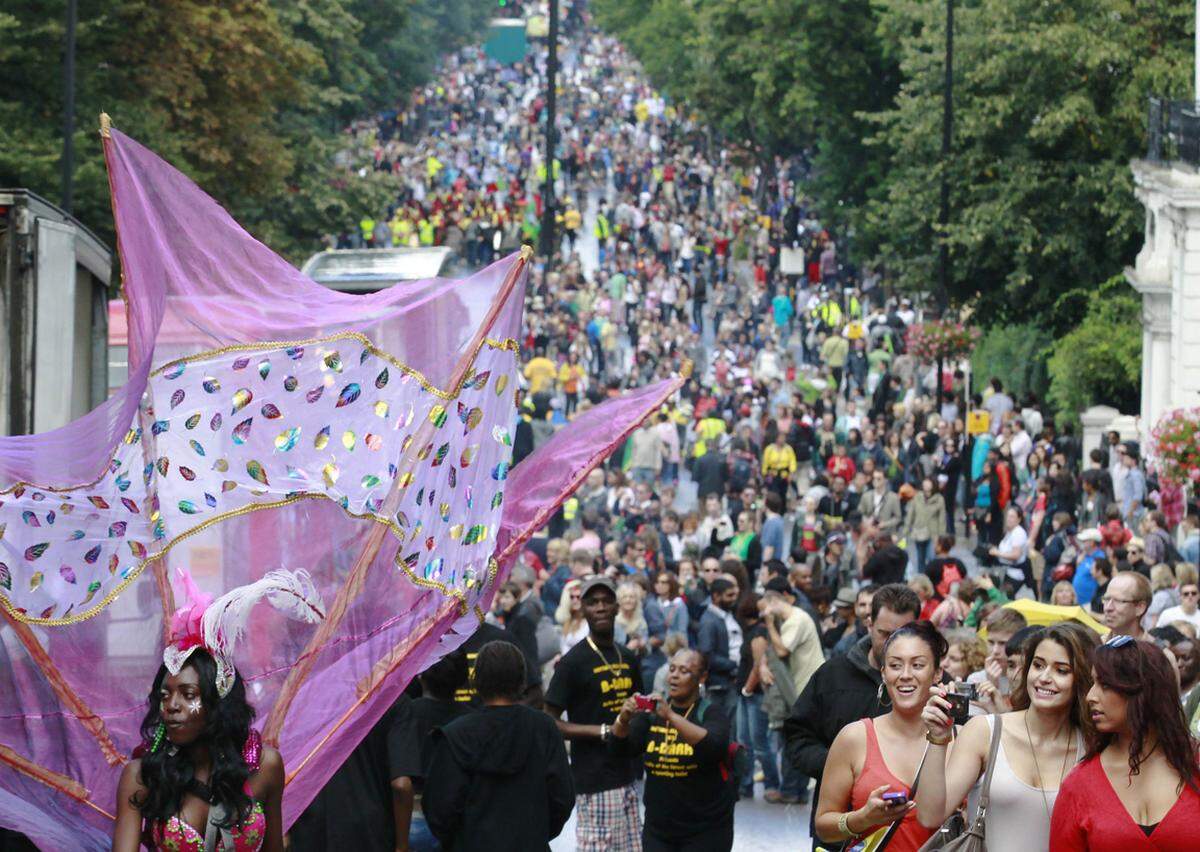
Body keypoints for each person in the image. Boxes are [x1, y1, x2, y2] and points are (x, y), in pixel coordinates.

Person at [113, 569, 321, 852]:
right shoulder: (141, 776)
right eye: (165, 695)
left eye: (188, 695)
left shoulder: (265, 768)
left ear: (217, 704)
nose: (172, 706)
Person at [916, 623, 1098, 851]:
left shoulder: (1091, 746)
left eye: (1061, 670)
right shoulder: (985, 731)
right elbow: (929, 816)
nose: (1044, 677)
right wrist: (937, 738)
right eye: (1038, 665)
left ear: (1081, 678)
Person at [783, 583, 921, 845]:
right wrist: (840, 768)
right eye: (885, 633)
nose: (893, 643)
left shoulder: (930, 685)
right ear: (869, 624)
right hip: (837, 829)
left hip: (909, 834)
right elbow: (797, 735)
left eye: (903, 634)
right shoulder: (832, 675)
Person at [1050, 636, 1200, 848]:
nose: (1090, 696)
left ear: (1142, 688)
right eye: (1093, 683)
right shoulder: (1079, 785)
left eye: (1104, 684)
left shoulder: (1195, 765)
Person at [424, 641, 574, 851]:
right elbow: (562, 798)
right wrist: (535, 834)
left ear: (475, 682)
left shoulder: (456, 735)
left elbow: (439, 810)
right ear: (522, 682)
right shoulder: (544, 728)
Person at [813, 621, 944, 851]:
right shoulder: (855, 738)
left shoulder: (962, 740)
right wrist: (863, 818)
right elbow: (823, 825)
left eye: (918, 665)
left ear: (937, 674)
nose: (905, 675)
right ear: (883, 673)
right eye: (895, 665)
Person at [544, 576, 644, 851]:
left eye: (606, 601)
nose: (600, 607)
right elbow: (549, 720)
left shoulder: (628, 657)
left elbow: (640, 711)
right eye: (592, 602)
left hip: (629, 777)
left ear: (616, 608)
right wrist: (602, 732)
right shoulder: (573, 662)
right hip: (594, 777)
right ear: (583, 610)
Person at [610, 649, 737, 851]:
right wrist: (622, 720)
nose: (674, 676)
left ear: (702, 677)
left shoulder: (711, 713)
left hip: (705, 831)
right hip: (658, 831)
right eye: (672, 669)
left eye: (684, 670)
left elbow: (714, 747)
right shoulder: (651, 714)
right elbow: (619, 749)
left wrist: (670, 716)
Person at [389, 652, 472, 851]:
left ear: (421, 675)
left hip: (410, 816)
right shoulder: (471, 719)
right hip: (457, 816)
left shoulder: (404, 713)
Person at [759, 576, 824, 805]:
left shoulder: (796, 620)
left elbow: (783, 650)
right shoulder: (791, 621)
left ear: (773, 603)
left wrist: (768, 624)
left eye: (765, 609)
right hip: (802, 687)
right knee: (794, 738)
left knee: (792, 739)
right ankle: (796, 790)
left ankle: (790, 790)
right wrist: (764, 664)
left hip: (805, 688)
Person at [696, 577, 741, 720]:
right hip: (719, 685)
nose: (734, 599)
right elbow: (707, 655)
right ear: (716, 596)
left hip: (730, 682)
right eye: (729, 595)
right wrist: (734, 664)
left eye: (734, 595)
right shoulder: (709, 621)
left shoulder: (727, 614)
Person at [1102, 570, 1151, 640]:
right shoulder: (1095, 646)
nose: (1108, 608)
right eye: (1106, 599)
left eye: (1118, 601)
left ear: (1140, 608)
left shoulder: (1155, 650)